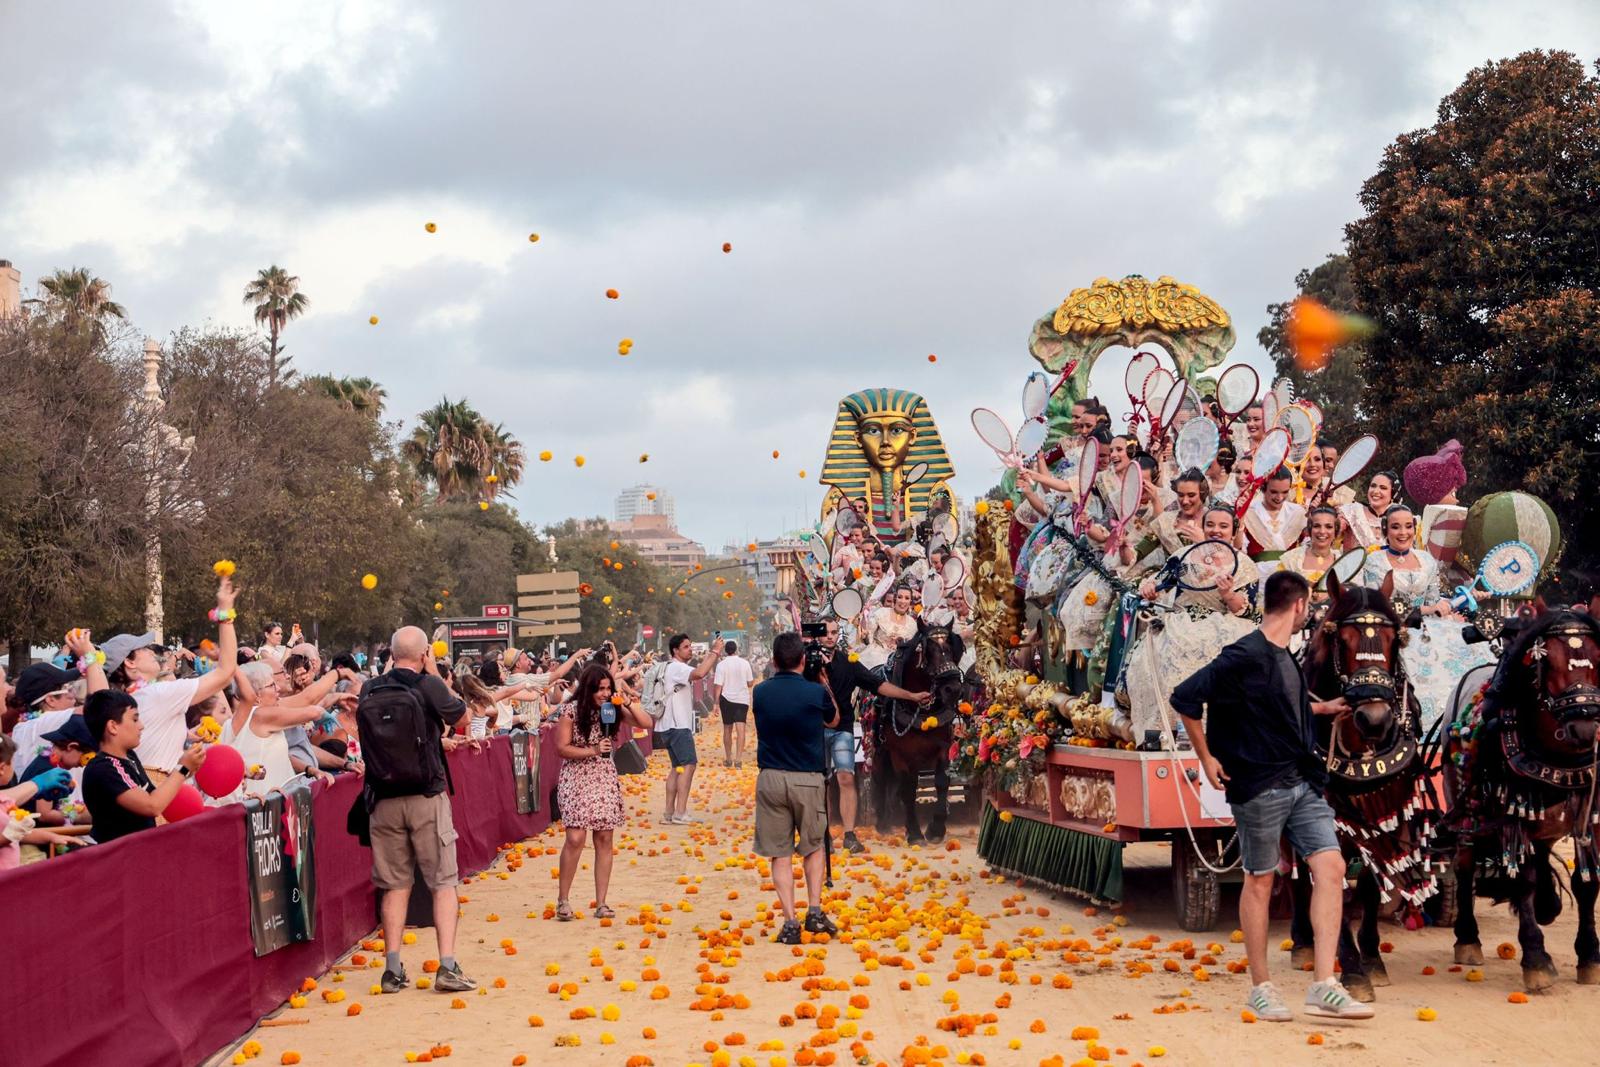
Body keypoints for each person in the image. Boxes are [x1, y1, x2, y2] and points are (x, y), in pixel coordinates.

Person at [1170, 570, 1372, 1022]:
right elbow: (1185, 698)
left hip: (1302, 782)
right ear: (1299, 606)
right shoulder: (1243, 654)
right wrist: (1206, 758)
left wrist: (1322, 709)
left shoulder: (1286, 656)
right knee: (1260, 880)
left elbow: (1280, 703)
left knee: (1332, 867)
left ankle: (1324, 984)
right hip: (1259, 786)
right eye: (1310, 605)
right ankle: (1261, 988)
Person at [360, 625, 473, 995]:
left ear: (392, 654)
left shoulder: (370, 689)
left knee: (394, 885)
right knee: (443, 881)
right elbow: (463, 718)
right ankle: (448, 965)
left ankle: (392, 969)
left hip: (382, 798)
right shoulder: (428, 684)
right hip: (426, 795)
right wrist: (437, 675)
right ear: (425, 654)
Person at [1124, 504, 1260, 743]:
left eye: (1223, 526)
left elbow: (1245, 610)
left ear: (1233, 530)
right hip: (1181, 620)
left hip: (1225, 622)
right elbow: (1159, 584)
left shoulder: (1244, 565)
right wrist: (1150, 590)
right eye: (1210, 525)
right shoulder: (1183, 556)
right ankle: (1163, 731)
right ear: (1202, 526)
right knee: (1164, 653)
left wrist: (1228, 594)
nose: (1216, 530)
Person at [1360, 503, 1494, 730]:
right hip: (1393, 630)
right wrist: (1430, 610)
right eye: (1395, 527)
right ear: (1386, 531)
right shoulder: (1374, 562)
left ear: (1415, 529)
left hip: (1429, 628)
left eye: (1408, 526)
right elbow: (1381, 606)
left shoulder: (1427, 560)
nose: (1403, 533)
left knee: (1475, 650)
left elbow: (1434, 601)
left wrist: (1466, 599)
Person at [103, 576, 239, 785]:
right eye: (145, 650)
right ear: (130, 664)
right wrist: (225, 614)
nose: (153, 653)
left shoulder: (123, 703)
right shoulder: (159, 694)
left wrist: (185, 736)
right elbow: (226, 671)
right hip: (159, 797)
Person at [751, 632, 840, 943]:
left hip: (771, 777)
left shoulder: (760, 693)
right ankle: (814, 910)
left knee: (779, 853)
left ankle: (790, 920)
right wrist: (823, 679)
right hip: (807, 777)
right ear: (804, 660)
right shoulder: (815, 693)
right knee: (814, 846)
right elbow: (833, 720)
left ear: (774, 661)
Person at [815, 618, 929, 853]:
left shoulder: (849, 662)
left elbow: (877, 684)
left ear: (839, 635)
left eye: (834, 632)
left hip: (842, 730)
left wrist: (910, 696)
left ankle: (849, 835)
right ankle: (821, 834)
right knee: (820, 782)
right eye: (825, 632)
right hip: (813, 730)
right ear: (817, 635)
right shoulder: (807, 663)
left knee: (846, 778)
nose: (829, 636)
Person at [553, 664, 653, 920]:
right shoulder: (570, 711)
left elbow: (646, 723)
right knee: (575, 838)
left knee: (604, 838)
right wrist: (594, 750)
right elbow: (562, 748)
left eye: (608, 688)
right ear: (589, 689)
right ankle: (563, 900)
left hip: (604, 777)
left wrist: (629, 703)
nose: (605, 694)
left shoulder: (613, 710)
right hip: (576, 777)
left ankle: (602, 903)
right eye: (600, 689)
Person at [81, 690, 208, 844]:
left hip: (141, 854)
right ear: (113, 726)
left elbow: (153, 794)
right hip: (119, 860)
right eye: (135, 719)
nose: (141, 726)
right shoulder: (104, 767)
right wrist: (182, 768)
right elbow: (152, 806)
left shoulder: (130, 757)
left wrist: (189, 768)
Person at [658, 634, 720, 825]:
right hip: (678, 725)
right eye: (686, 647)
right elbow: (700, 674)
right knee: (688, 765)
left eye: (690, 646)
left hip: (668, 724)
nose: (690, 649)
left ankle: (669, 812)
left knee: (676, 768)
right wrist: (715, 652)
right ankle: (680, 812)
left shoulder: (670, 667)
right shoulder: (677, 667)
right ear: (675, 650)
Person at [1276, 506, 1342, 602]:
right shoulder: (1290, 560)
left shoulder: (1344, 561)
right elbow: (1277, 595)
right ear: (1310, 529)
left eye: (1328, 527)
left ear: (1336, 530)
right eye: (1317, 526)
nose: (1322, 531)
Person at [1243, 468, 1306, 563]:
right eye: (1274, 492)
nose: (1279, 497)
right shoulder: (1248, 512)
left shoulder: (1297, 512)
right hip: (1256, 573)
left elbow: (1308, 546)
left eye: (1285, 492)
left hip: (1289, 574)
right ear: (1263, 488)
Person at [712, 640, 755, 767]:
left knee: (727, 728)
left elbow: (718, 685)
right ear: (736, 650)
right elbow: (750, 683)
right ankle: (739, 759)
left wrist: (716, 703)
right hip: (742, 700)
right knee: (741, 729)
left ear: (726, 651)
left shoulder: (721, 665)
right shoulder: (745, 663)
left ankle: (728, 758)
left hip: (726, 699)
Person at [1339, 471, 1398, 552]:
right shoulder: (1352, 511)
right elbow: (1332, 529)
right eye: (1373, 486)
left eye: (1383, 488)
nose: (1376, 491)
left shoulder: (1399, 518)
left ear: (1393, 493)